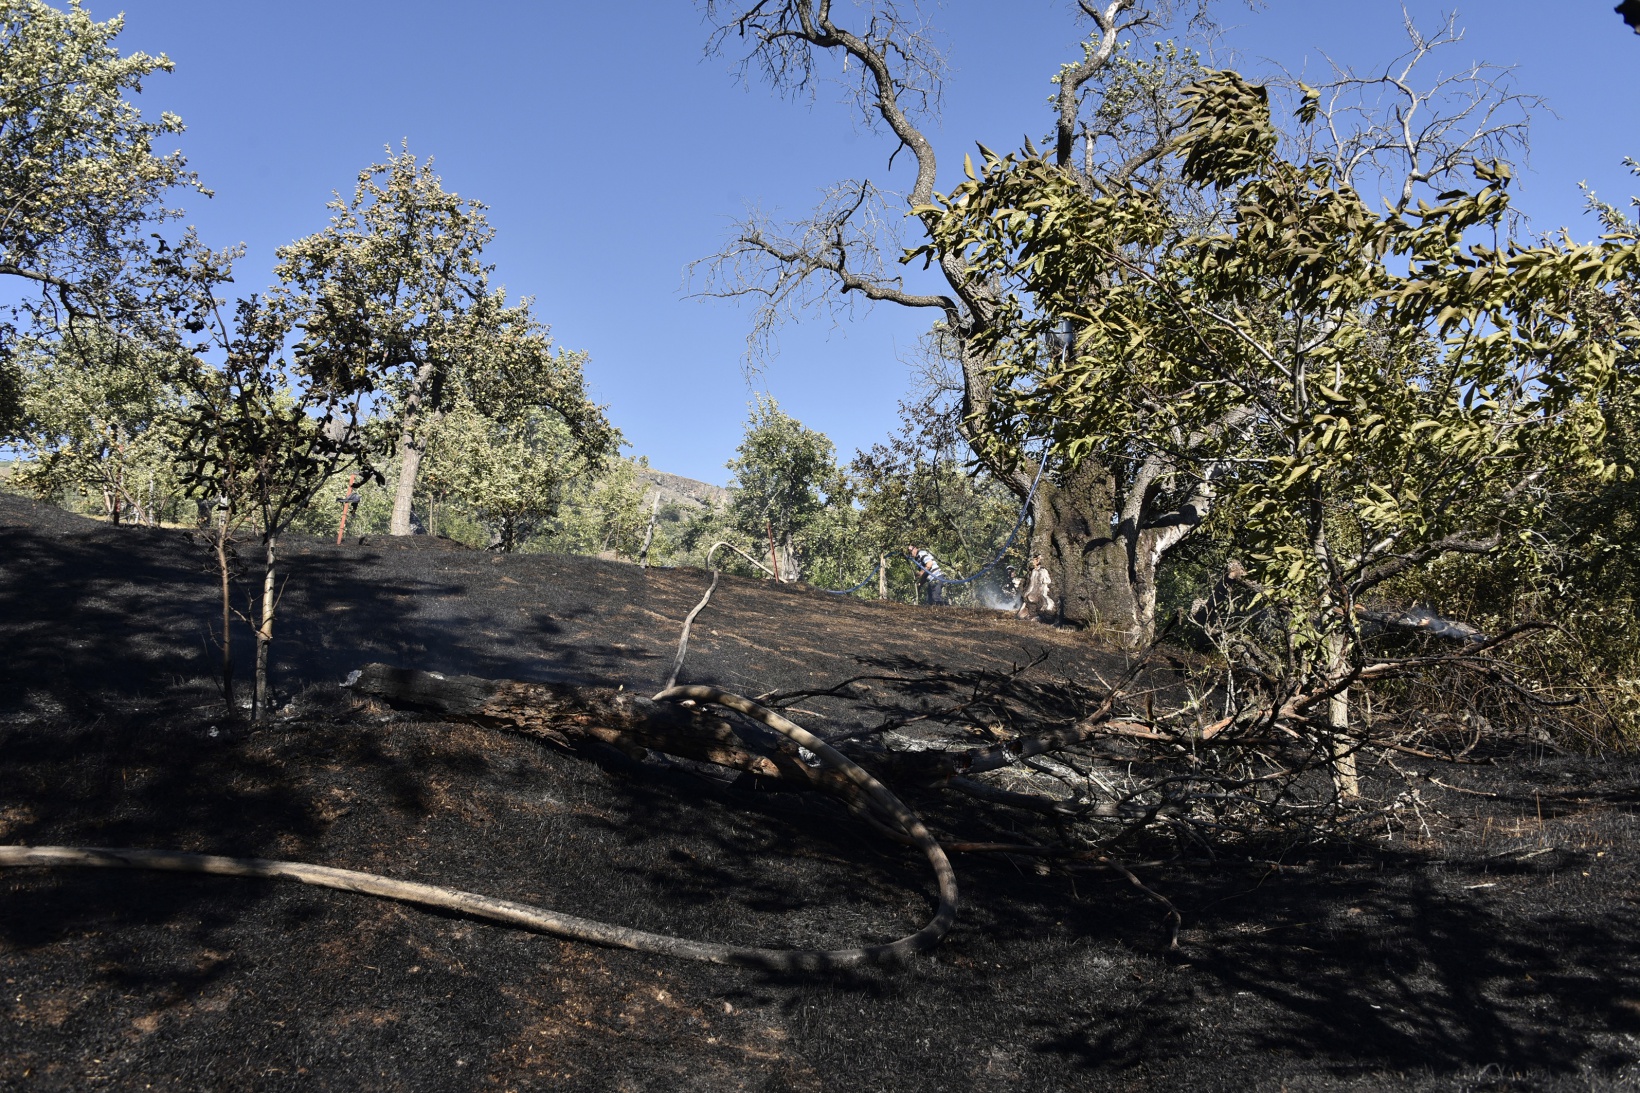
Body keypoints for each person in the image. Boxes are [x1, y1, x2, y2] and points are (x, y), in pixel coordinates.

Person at [1017, 554, 1054, 622]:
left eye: (1034, 560)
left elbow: (1046, 583)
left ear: (1038, 560)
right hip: (1030, 598)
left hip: (1038, 596)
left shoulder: (1043, 571)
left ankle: (1036, 616)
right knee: (1020, 616)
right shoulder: (1033, 571)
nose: (1032, 562)